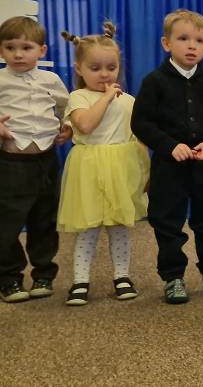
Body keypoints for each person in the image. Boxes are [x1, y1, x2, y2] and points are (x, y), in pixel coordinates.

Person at [132, 9, 203, 304]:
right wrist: (169, 145)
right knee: (167, 222)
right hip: (168, 168)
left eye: (199, 41)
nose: (191, 46)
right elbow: (141, 123)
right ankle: (173, 277)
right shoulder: (154, 81)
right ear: (166, 43)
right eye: (183, 39)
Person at [57, 22, 150, 306]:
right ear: (79, 68)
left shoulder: (129, 101)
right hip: (89, 169)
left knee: (119, 227)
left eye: (111, 67)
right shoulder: (78, 97)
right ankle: (80, 281)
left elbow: (139, 137)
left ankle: (122, 276)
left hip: (121, 169)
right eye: (95, 68)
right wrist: (107, 98)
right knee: (88, 229)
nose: (105, 74)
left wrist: (145, 174)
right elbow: (85, 125)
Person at [0, 17, 71, 303]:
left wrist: (68, 126)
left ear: (41, 51)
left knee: (45, 218)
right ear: (1, 50)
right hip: (11, 162)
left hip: (46, 160)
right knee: (7, 222)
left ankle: (44, 273)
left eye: (26, 47)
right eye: (10, 47)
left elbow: (68, 107)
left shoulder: (51, 80)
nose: (18, 54)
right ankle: (9, 278)